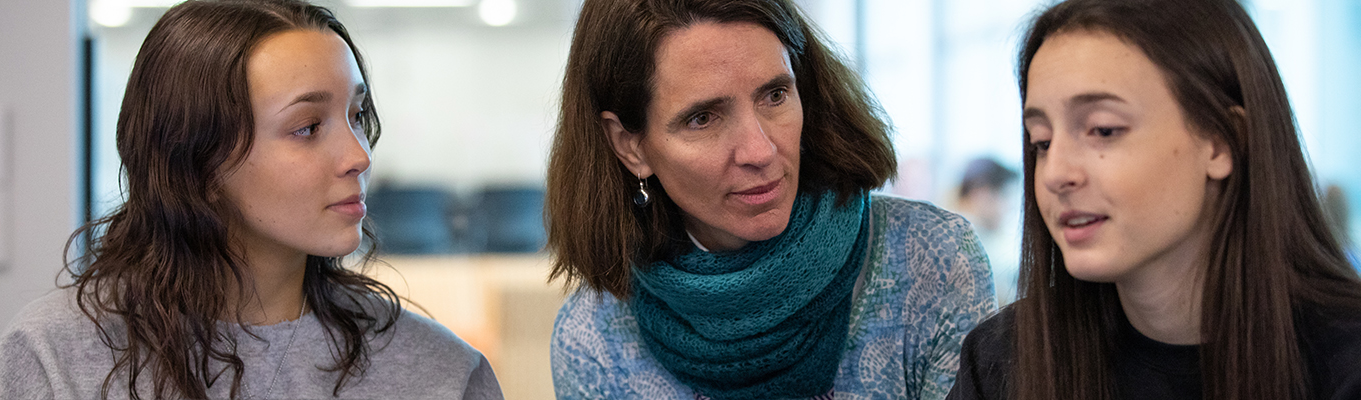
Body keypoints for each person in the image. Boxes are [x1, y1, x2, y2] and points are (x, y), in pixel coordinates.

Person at [0, 1, 502, 399]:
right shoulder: (55, 357)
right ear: (197, 159)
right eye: (308, 127)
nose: (358, 155)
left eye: (357, 117)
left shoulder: (441, 374)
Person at [546, 0, 996, 399]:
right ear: (630, 145)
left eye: (775, 95)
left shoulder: (929, 259)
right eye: (703, 119)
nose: (760, 151)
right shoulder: (595, 340)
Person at [948, 0, 1361, 399]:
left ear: (1223, 142)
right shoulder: (1003, 360)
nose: (1056, 174)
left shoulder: (1344, 362)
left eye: (1103, 130)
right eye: (1042, 141)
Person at [952, 157, 1019, 306]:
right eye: (1006, 196)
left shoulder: (979, 235)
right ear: (983, 193)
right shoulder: (966, 239)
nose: (1010, 207)